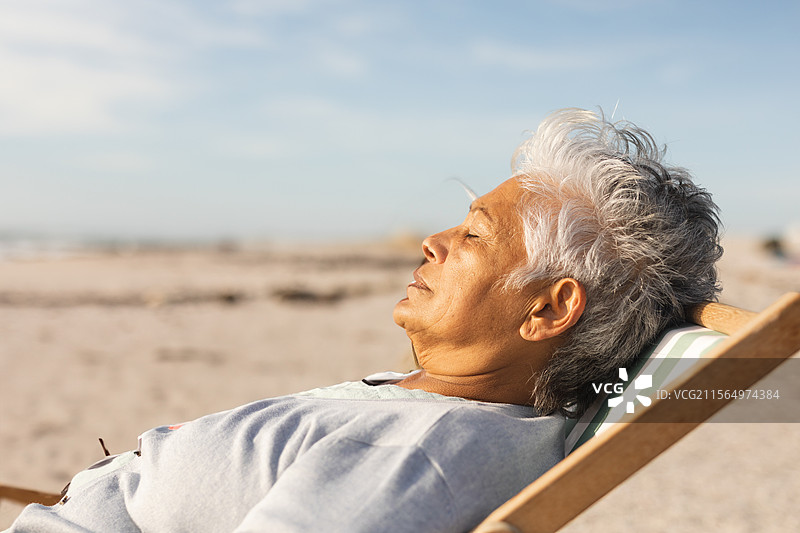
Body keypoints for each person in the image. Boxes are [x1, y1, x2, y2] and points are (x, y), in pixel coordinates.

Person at [5, 108, 721, 533]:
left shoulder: (428, 453)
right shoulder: (440, 405)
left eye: (474, 235)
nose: (431, 241)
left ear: (548, 308)